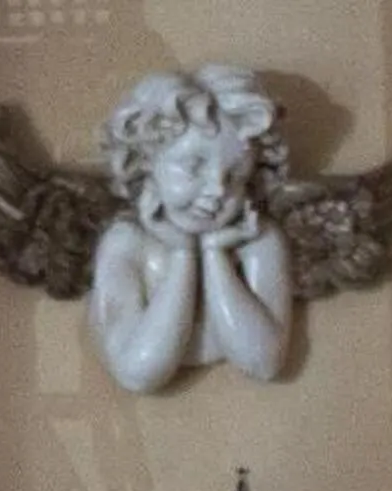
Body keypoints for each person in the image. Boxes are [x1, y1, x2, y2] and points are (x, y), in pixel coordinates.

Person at [87, 66, 294, 394]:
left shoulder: (258, 239)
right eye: (193, 166)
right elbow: (137, 372)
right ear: (146, 162)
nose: (217, 190)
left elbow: (263, 361)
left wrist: (214, 253)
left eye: (236, 176)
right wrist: (183, 252)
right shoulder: (126, 242)